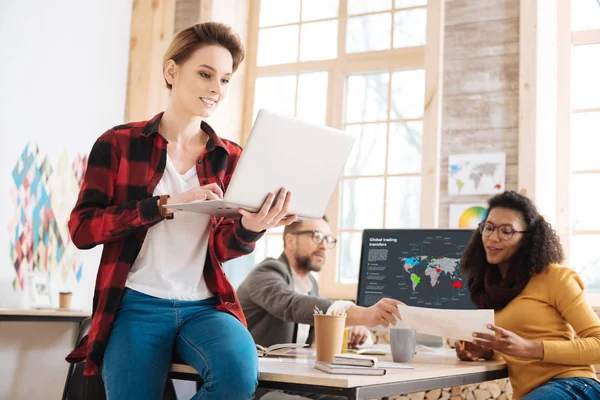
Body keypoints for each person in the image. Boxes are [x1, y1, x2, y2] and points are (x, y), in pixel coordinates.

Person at [66, 22, 296, 400]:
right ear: (172, 72)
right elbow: (83, 230)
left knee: (238, 377)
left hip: (205, 306)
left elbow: (222, 247)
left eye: (225, 79)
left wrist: (252, 227)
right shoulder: (119, 143)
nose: (216, 89)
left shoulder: (231, 157)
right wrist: (164, 206)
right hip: (135, 304)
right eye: (205, 74)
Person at [455, 191, 600, 400]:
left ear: (527, 239)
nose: (493, 238)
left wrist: (531, 348)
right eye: (489, 227)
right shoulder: (489, 290)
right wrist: (485, 351)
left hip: (574, 385)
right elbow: (515, 346)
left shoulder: (555, 277)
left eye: (506, 231)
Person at [238, 216, 401, 350]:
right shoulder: (267, 272)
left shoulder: (310, 284)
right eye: (316, 236)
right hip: (262, 383)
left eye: (328, 240)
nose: (324, 246)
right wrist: (363, 314)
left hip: (294, 378)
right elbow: (292, 305)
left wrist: (353, 329)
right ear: (290, 241)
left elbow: (313, 321)